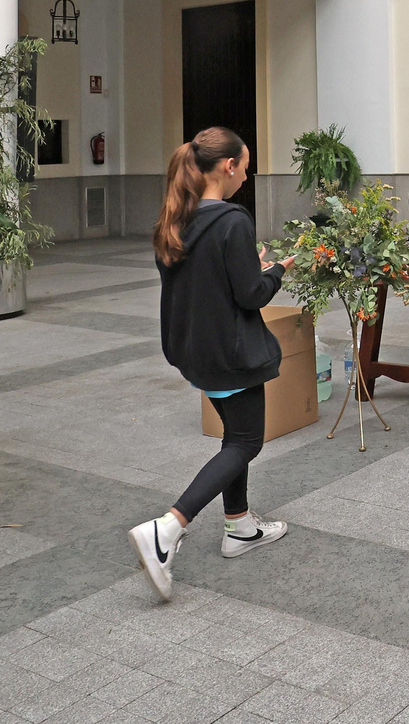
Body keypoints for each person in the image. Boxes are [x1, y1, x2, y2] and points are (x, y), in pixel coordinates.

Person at [128, 127, 297, 601]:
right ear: (228, 166)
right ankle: (168, 527)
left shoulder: (175, 217)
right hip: (231, 350)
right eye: (246, 164)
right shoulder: (232, 220)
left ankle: (240, 526)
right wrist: (279, 270)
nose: (247, 173)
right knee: (247, 442)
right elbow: (250, 294)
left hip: (194, 350)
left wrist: (248, 266)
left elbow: (209, 279)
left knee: (233, 436)